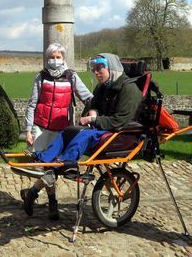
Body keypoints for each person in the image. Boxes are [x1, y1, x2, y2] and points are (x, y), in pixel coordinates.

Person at [20, 53, 141, 215]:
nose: (96, 73)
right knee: (69, 131)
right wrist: (92, 112)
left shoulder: (129, 89)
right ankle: (44, 157)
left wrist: (94, 118)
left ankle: (66, 162)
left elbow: (120, 120)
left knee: (84, 136)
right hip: (101, 126)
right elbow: (92, 105)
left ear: (111, 68)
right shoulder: (102, 86)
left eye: (99, 69)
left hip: (117, 131)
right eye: (93, 70)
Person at [21, 43, 93, 220]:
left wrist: (95, 113)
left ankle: (32, 193)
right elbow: (32, 104)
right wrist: (28, 130)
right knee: (47, 165)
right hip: (42, 126)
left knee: (57, 166)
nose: (55, 60)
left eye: (58, 56)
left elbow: (88, 97)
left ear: (64, 58)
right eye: (51, 57)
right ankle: (52, 203)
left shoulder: (71, 76)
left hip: (63, 130)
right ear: (47, 58)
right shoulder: (41, 77)